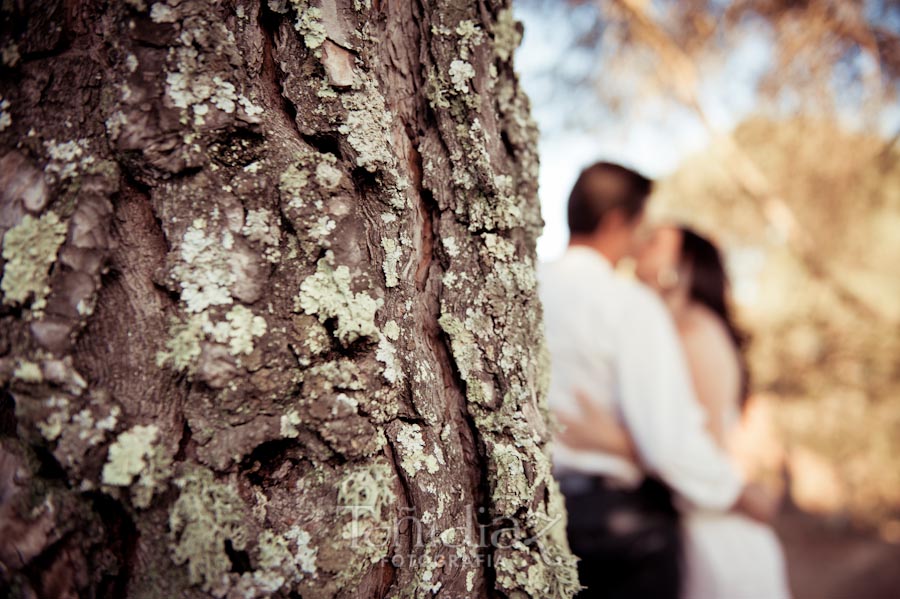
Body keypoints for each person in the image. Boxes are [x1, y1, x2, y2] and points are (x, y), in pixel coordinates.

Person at [538, 162, 774, 599]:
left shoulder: (526, 285)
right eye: (640, 225)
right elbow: (668, 442)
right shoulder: (629, 304)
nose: (641, 239)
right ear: (614, 222)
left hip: (535, 518)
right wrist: (737, 493)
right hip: (625, 529)